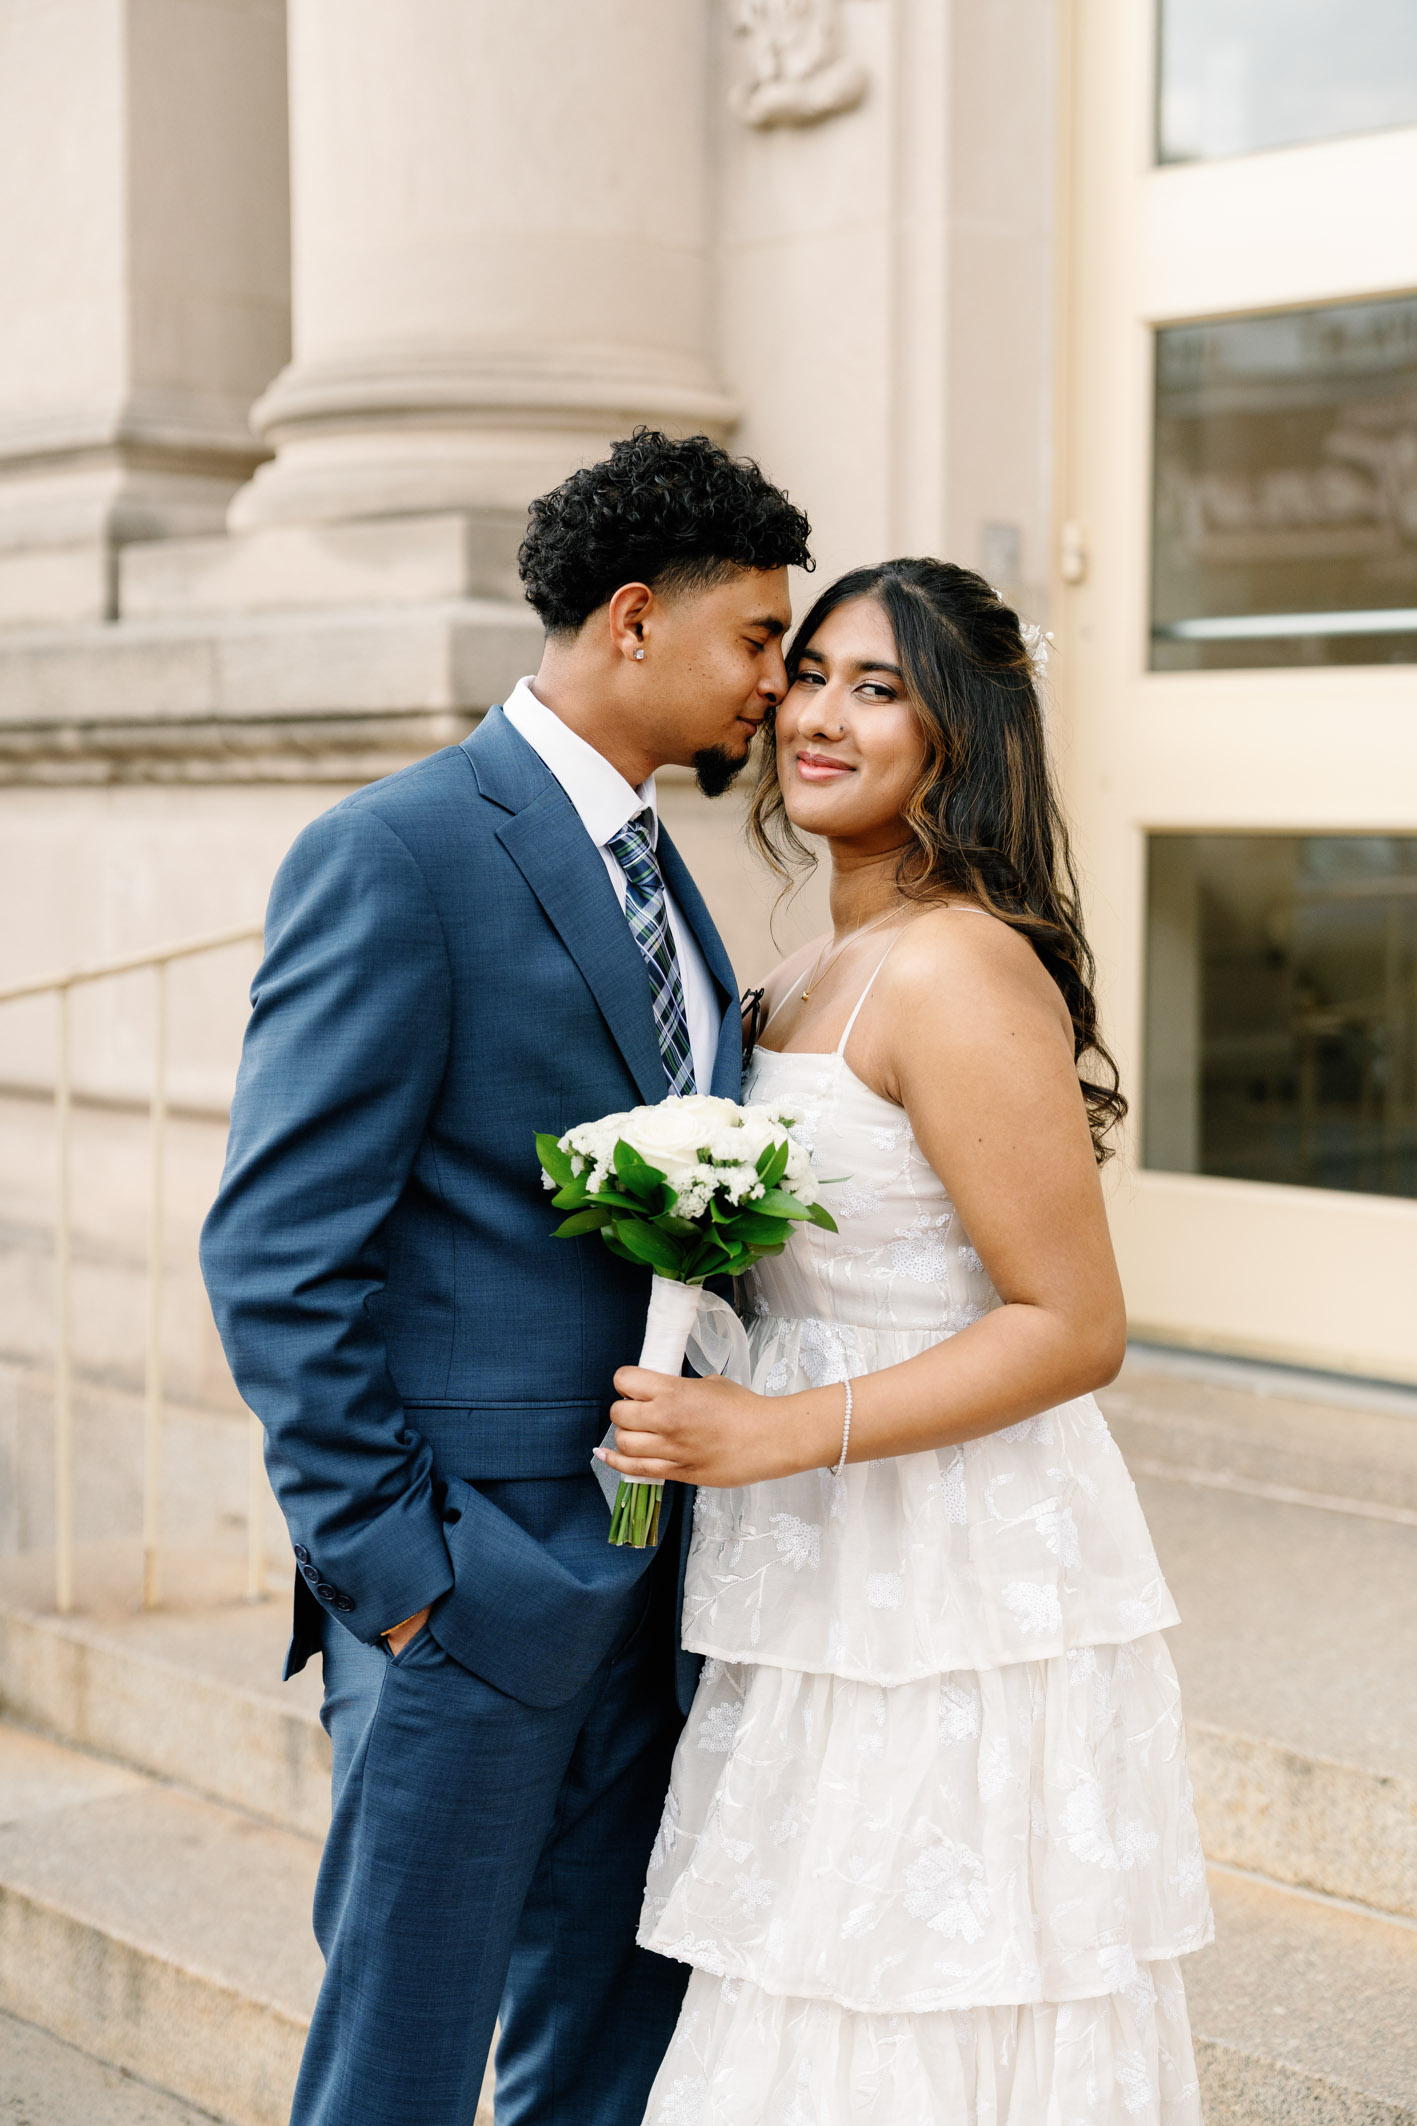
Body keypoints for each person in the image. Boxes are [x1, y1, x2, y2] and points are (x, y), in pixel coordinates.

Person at [198, 430, 812, 2126]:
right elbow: (275, 1247)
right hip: (467, 1592)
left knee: (607, 2059)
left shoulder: (665, 870)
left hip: (651, 1578)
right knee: (398, 2068)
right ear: (634, 619)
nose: (777, 680)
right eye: (757, 637)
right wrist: (400, 1571)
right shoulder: (397, 851)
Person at [600, 559, 1214, 2123]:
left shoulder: (955, 964)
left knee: (919, 1989)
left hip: (946, 1570)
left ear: (961, 733)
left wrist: (769, 1433)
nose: (816, 713)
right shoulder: (801, 972)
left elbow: (1074, 1326)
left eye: (877, 687)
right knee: (807, 1971)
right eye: (806, 673)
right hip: (810, 1564)